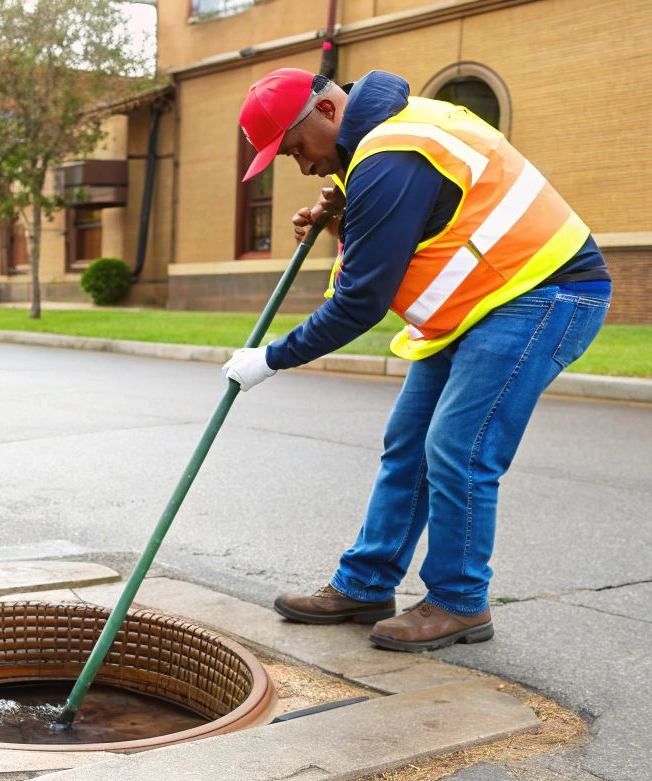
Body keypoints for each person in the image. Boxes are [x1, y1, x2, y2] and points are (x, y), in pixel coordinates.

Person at [223, 68, 611, 652]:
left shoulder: (390, 153)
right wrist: (346, 214)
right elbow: (422, 230)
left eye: (298, 149)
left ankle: (459, 604)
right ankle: (366, 585)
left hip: (543, 293)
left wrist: (272, 358)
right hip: (483, 301)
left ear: (327, 113)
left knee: (459, 448)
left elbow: (361, 302)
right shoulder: (380, 144)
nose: (303, 166)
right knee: (408, 442)